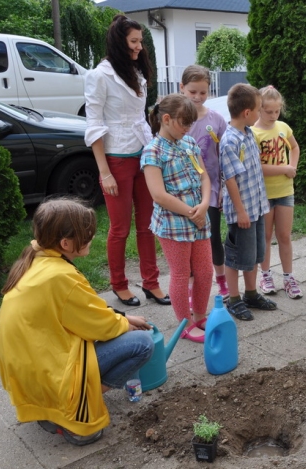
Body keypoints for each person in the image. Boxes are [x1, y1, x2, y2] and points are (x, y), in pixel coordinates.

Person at [0, 198, 154, 447]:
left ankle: (49, 409)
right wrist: (124, 325)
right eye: (87, 235)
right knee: (142, 344)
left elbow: (83, 311)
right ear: (66, 243)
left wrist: (122, 317)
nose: (92, 238)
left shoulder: (36, 258)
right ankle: (71, 409)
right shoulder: (61, 276)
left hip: (28, 372)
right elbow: (99, 326)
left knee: (119, 333)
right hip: (50, 372)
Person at [84, 14, 170, 307]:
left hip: (144, 155)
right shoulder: (99, 76)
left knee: (147, 225)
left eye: (140, 41)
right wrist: (104, 172)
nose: (139, 47)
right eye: (134, 42)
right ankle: (119, 285)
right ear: (120, 43)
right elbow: (94, 125)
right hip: (116, 160)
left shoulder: (137, 71)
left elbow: (140, 116)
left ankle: (151, 283)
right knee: (120, 228)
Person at [142, 94, 212, 343]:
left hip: (199, 219)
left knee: (204, 271)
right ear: (167, 119)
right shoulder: (152, 151)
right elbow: (159, 195)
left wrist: (204, 205)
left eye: (190, 124)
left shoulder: (190, 143)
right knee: (181, 274)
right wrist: (192, 212)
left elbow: (204, 176)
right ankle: (185, 324)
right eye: (184, 123)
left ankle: (200, 315)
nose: (188, 129)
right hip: (174, 225)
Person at [220, 83, 276, 321]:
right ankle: (234, 299)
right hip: (242, 213)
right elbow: (230, 180)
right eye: (259, 109)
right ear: (247, 113)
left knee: (254, 255)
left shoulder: (248, 133)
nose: (261, 112)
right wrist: (241, 212)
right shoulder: (230, 141)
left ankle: (251, 294)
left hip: (257, 208)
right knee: (235, 258)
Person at [179, 65, 229, 298]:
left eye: (203, 92)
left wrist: (222, 188)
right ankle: (191, 286)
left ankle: (222, 280)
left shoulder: (217, 120)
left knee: (213, 237)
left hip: (212, 190)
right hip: (183, 193)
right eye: (192, 92)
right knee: (188, 242)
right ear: (182, 89)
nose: (198, 97)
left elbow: (224, 157)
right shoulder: (177, 122)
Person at [253, 86, 303, 299]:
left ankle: (289, 277)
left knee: (284, 235)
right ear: (258, 109)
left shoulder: (283, 127)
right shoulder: (253, 133)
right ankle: (265, 275)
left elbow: (294, 147)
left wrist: (293, 166)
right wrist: (285, 169)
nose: (273, 116)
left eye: (276, 111)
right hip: (264, 193)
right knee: (264, 237)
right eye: (268, 111)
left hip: (284, 191)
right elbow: (256, 166)